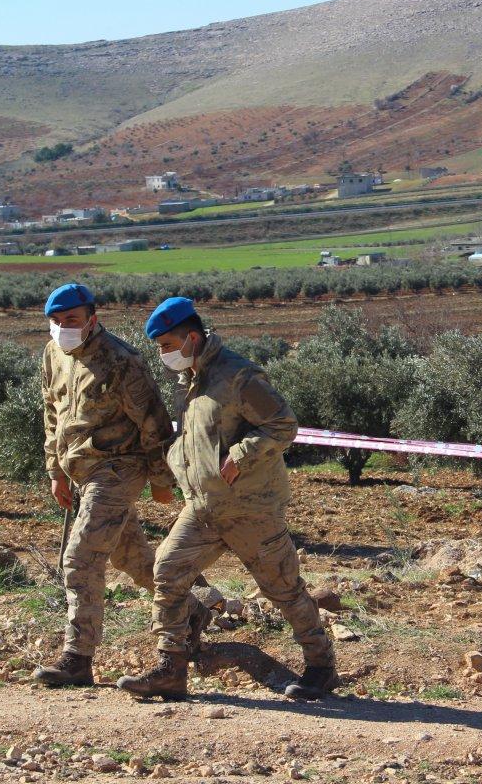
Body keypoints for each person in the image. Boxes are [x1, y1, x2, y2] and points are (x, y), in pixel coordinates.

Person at [116, 297, 335, 701]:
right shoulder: (192, 381)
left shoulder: (238, 376)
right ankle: (171, 668)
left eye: (168, 345)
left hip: (249, 508)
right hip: (202, 508)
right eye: (160, 347)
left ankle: (320, 665)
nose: (164, 354)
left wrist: (240, 455)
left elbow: (284, 425)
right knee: (166, 572)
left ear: (192, 337)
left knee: (282, 588)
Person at [32, 283, 206, 687]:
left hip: (118, 468)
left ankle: (77, 658)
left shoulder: (121, 361)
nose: (62, 328)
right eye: (55, 322)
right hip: (81, 471)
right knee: (131, 558)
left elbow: (155, 422)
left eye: (71, 320)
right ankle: (192, 611)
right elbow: (51, 412)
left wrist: (162, 480)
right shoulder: (53, 353)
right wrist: (55, 471)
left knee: (80, 558)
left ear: (92, 317)